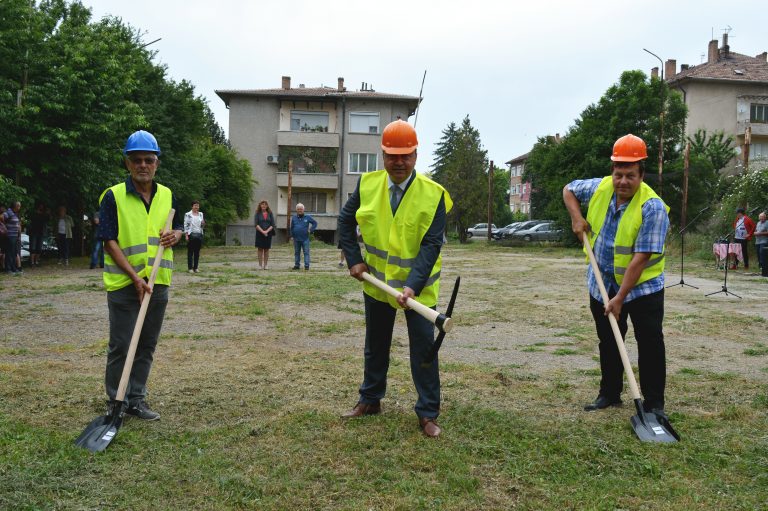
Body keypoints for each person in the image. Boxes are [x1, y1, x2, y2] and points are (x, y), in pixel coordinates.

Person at [337, 119, 452, 438]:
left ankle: (427, 412)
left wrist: (412, 286)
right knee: (375, 344)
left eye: (406, 156)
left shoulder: (434, 195)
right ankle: (370, 399)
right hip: (378, 285)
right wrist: (354, 259)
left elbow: (431, 245)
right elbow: (345, 222)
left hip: (419, 291)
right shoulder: (367, 185)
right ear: (383, 155)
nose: (399, 162)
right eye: (392, 156)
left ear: (416, 155)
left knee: (424, 350)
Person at [563, 134, 671, 418]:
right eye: (618, 174)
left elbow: (640, 258)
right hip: (602, 283)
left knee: (650, 342)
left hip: (643, 288)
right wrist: (577, 217)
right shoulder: (600, 188)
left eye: (630, 176)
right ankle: (610, 394)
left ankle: (654, 404)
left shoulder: (653, 208)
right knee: (609, 340)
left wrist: (620, 298)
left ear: (641, 175)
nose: (623, 181)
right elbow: (568, 190)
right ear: (612, 172)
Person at [96, 130, 183, 421]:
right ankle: (115, 401)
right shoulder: (113, 196)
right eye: (136, 160)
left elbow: (178, 228)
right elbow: (108, 240)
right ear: (127, 163)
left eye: (148, 160)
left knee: (146, 344)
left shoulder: (167, 194)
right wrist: (134, 278)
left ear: (156, 163)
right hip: (124, 283)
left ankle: (136, 399)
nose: (142, 165)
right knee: (122, 345)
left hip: (157, 283)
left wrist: (177, 235)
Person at [289, 203, 317, 270]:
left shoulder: (307, 217)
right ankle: (297, 265)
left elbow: (315, 223)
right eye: (298, 209)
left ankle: (306, 266)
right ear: (296, 210)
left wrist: (311, 230)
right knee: (297, 253)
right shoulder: (294, 217)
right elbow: (292, 227)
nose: (300, 210)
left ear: (303, 210)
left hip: (305, 238)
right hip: (296, 239)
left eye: (301, 209)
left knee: (306, 252)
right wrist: (291, 236)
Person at [184, 200, 205, 273]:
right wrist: (186, 235)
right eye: (195, 205)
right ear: (192, 206)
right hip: (191, 234)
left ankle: (195, 268)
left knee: (197, 252)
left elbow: (202, 226)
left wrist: (203, 223)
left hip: (199, 234)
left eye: (198, 206)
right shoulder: (188, 214)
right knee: (190, 252)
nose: (197, 207)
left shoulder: (201, 214)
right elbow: (185, 225)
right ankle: (190, 268)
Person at [254, 200, 275, 269]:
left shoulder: (270, 213)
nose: (264, 205)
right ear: (260, 205)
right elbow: (256, 224)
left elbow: (272, 224)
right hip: (259, 233)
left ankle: (266, 265)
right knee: (260, 249)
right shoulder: (257, 213)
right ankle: (260, 265)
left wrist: (266, 231)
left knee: (266, 249)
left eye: (265, 204)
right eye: (262, 204)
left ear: (267, 206)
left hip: (268, 233)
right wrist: (263, 231)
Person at [3, 201, 22, 275]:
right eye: (18, 206)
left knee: (14, 252)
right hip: (10, 235)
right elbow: (2, 217)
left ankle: (13, 268)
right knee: (9, 253)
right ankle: (8, 269)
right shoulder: (9, 212)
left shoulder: (15, 213)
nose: (19, 207)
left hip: (15, 235)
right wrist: (5, 227)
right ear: (15, 206)